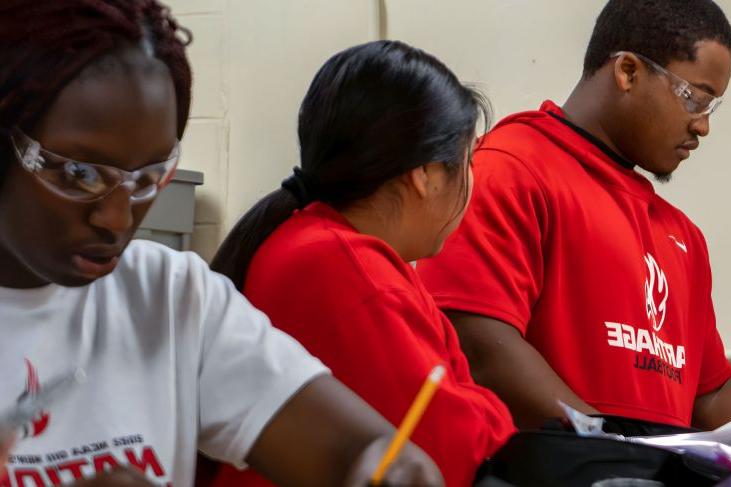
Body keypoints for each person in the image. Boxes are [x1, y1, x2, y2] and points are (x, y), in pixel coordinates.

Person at [416, 0, 731, 437]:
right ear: (628, 71)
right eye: (695, 97)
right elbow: (475, 342)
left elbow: (709, 396)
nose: (704, 125)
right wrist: (611, 449)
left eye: (714, 105)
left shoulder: (679, 234)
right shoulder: (512, 169)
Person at [0, 1, 441, 485]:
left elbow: (362, 451)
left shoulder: (169, 296)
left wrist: (393, 468)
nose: (117, 217)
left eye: (148, 177)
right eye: (79, 174)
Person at [206, 41, 516, 487]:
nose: (471, 182)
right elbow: (458, 448)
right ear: (426, 175)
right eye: (467, 162)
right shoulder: (348, 269)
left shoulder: (320, 245)